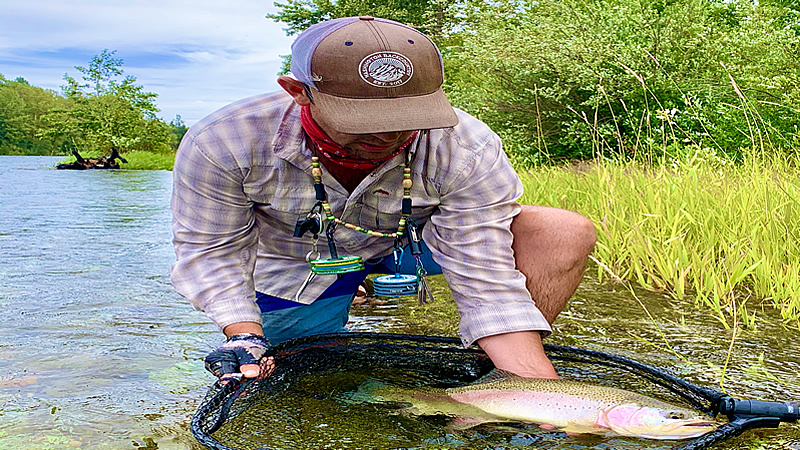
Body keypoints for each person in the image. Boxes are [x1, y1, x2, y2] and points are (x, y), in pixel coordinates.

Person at [170, 16, 596, 383]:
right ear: (298, 91)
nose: (387, 135)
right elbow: (213, 251)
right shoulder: (224, 141)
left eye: (406, 118)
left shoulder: (466, 146)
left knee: (560, 231)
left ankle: (488, 379)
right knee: (297, 374)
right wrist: (244, 334)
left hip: (414, 245)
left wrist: (536, 392)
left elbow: (488, 282)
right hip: (298, 262)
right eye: (362, 119)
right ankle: (343, 294)